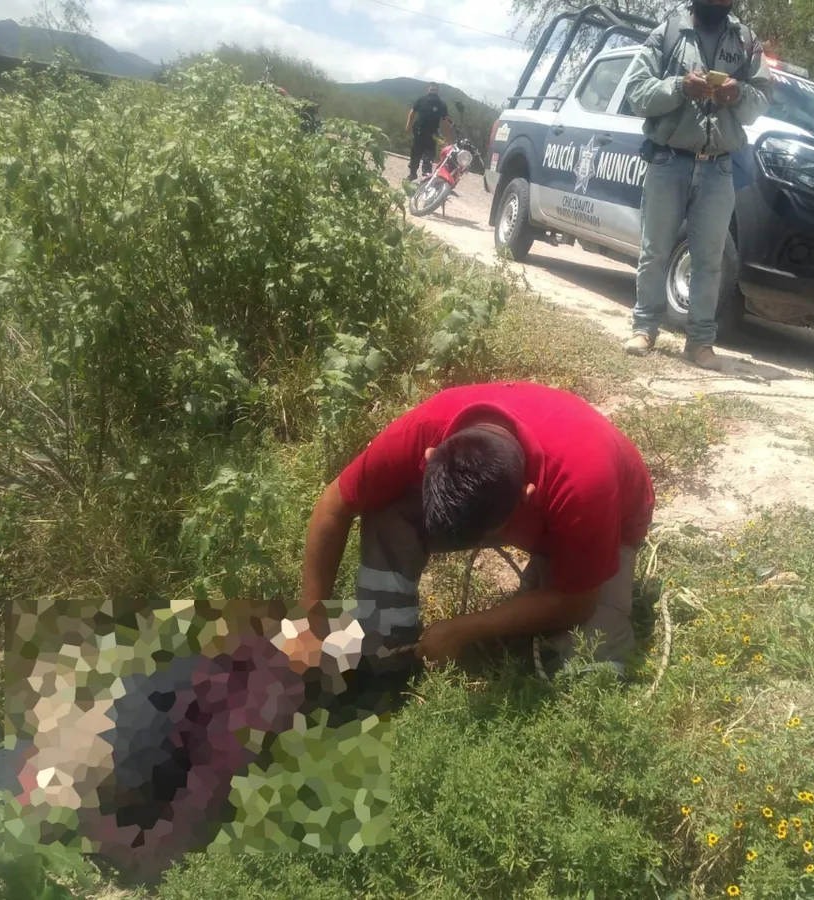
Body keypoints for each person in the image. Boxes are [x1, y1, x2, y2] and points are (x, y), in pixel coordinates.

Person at [285, 382, 656, 678]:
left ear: (528, 497)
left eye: (487, 535)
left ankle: (553, 581)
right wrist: (310, 614)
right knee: (385, 508)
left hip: (610, 520)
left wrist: (464, 629)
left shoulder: (583, 482)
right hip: (530, 497)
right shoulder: (422, 431)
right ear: (430, 457)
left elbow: (577, 601)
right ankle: (386, 655)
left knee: (589, 658)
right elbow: (335, 505)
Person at [622, 0, 773, 371]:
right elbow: (636, 93)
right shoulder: (668, 33)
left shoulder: (747, 42)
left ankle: (700, 342)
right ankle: (644, 328)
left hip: (719, 167)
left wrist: (738, 94)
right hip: (667, 161)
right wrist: (679, 87)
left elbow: (762, 101)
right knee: (654, 251)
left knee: (709, 259)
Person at [405, 83, 452, 180]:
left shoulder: (442, 105)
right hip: (419, 133)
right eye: (431, 90)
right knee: (415, 155)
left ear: (438, 92)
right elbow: (412, 112)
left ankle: (426, 177)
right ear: (428, 90)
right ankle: (412, 174)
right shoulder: (421, 100)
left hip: (432, 135)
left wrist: (448, 138)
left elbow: (446, 121)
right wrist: (408, 124)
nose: (433, 92)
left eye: (435, 90)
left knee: (429, 157)